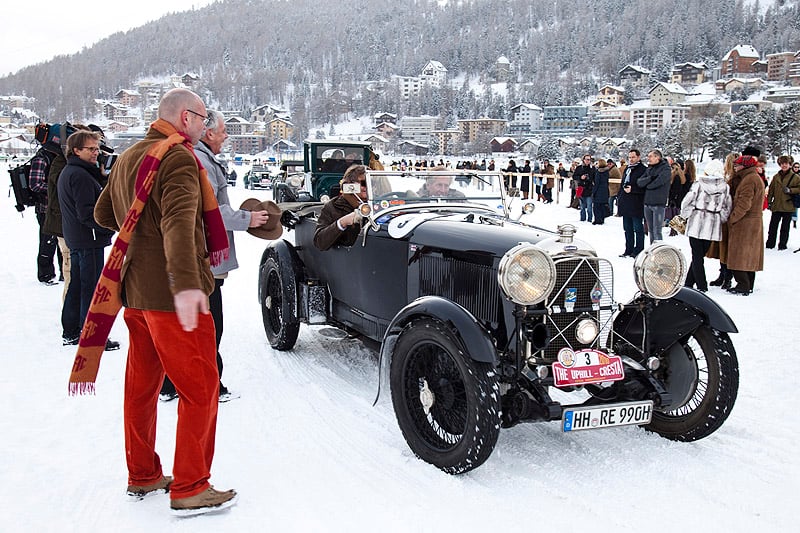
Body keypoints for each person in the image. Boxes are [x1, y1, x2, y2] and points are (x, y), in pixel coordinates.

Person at [93, 88, 238, 515]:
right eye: (203, 116)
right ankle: (191, 485)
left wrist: (140, 233)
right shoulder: (176, 156)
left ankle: (143, 473)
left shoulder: (128, 156)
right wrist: (188, 284)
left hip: (135, 294)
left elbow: (104, 215)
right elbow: (177, 223)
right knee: (200, 387)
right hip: (172, 297)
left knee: (142, 388)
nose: (206, 124)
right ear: (185, 116)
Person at [159, 110, 269, 403]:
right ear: (207, 133)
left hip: (198, 257)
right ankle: (207, 385)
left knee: (192, 323)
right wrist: (249, 218)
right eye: (223, 131)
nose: (226, 136)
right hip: (204, 259)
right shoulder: (200, 160)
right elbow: (211, 211)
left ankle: (172, 384)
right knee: (208, 326)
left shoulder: (200, 157)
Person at [57, 130, 120, 351]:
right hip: (88, 239)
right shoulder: (80, 175)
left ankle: (72, 330)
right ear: (76, 150)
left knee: (77, 285)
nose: (96, 153)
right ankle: (90, 335)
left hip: (79, 238)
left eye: (97, 148)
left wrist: (101, 177)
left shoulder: (74, 172)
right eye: (91, 149)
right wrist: (110, 226)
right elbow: (87, 213)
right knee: (90, 289)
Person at [680, 160, 732, 292]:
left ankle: (702, 285)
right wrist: (721, 218)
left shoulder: (699, 185)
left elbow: (687, 201)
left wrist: (685, 215)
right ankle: (689, 282)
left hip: (697, 221)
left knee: (696, 255)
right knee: (699, 255)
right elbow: (727, 206)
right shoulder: (725, 187)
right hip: (713, 223)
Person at [725, 154, 765, 295]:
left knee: (739, 254)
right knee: (750, 255)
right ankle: (749, 283)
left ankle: (742, 284)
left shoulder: (748, 180)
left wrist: (733, 218)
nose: (735, 167)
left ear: (745, 166)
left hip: (745, 223)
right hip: (753, 222)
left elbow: (744, 203)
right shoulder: (754, 178)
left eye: (737, 165)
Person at [29, 127, 63, 284]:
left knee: (63, 241)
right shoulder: (41, 158)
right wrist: (55, 190)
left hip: (59, 208)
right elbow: (35, 184)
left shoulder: (58, 157)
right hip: (45, 208)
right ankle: (46, 274)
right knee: (47, 241)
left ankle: (64, 272)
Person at [314, 164, 368, 251]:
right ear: (349, 186)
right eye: (363, 183)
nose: (367, 187)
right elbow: (319, 242)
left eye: (370, 183)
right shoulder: (332, 207)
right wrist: (342, 222)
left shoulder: (377, 205)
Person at [765, 155, 800, 250]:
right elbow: (771, 190)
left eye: (786, 163)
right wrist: (769, 202)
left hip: (788, 206)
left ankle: (782, 245)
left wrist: (790, 190)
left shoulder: (795, 177)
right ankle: (770, 244)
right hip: (777, 205)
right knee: (772, 227)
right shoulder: (776, 177)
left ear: (790, 164)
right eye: (782, 164)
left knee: (785, 228)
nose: (784, 165)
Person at [637, 149, 671, 242]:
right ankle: (652, 249)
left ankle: (659, 251)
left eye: (650, 156)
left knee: (657, 230)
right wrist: (650, 179)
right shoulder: (649, 168)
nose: (649, 158)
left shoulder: (666, 168)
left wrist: (648, 185)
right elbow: (640, 182)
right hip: (647, 202)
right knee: (650, 230)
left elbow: (659, 182)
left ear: (657, 157)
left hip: (658, 203)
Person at [617, 149, 647, 257]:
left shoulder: (643, 170)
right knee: (627, 229)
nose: (631, 159)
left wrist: (633, 189)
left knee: (638, 229)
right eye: (629, 157)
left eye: (633, 157)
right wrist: (619, 197)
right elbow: (622, 184)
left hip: (637, 203)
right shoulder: (627, 169)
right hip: (625, 202)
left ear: (638, 157)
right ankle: (628, 249)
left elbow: (644, 187)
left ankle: (638, 250)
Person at [574, 154, 596, 222]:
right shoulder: (579, 168)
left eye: (589, 159)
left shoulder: (592, 169)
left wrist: (589, 179)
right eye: (586, 159)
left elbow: (595, 178)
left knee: (589, 206)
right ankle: (582, 219)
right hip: (580, 188)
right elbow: (574, 176)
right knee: (582, 206)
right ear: (583, 160)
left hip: (589, 188)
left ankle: (589, 219)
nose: (587, 161)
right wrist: (580, 177)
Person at [591, 159, 610, 224]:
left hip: (599, 191)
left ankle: (597, 220)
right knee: (602, 206)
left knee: (596, 207)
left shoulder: (599, 172)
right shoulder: (607, 172)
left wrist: (593, 192)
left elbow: (597, 183)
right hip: (605, 191)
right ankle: (602, 219)